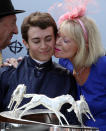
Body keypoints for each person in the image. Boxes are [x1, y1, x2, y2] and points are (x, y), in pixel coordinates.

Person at [0, 12, 79, 125]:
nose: (43, 46)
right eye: (36, 41)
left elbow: (71, 122)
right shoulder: (7, 73)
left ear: (55, 39)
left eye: (48, 39)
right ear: (25, 43)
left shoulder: (66, 77)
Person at [54, 5, 106, 131]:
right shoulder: (64, 62)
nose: (57, 42)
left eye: (65, 40)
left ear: (84, 45)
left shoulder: (102, 66)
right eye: (58, 36)